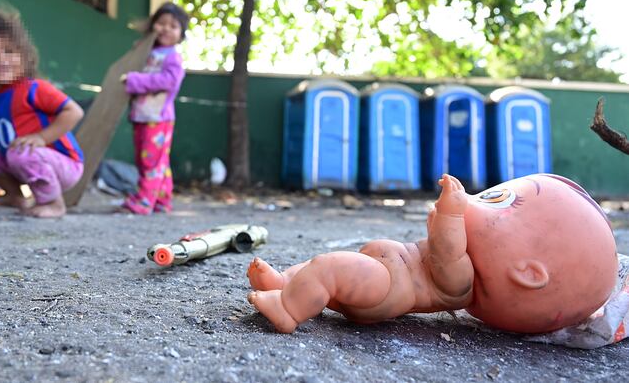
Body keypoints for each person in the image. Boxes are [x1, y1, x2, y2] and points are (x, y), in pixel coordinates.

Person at [247, 173, 617, 335]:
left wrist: (454, 213)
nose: (477, 197)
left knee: (329, 267)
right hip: (382, 272)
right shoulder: (467, 274)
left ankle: (289, 310)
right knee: (319, 266)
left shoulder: (462, 284)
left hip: (385, 289)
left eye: (494, 199)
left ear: (527, 272)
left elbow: (445, 253)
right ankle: (286, 282)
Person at [0, 13, 84, 218]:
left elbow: (74, 112)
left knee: (20, 151)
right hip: (23, 162)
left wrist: (41, 138)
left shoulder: (33, 89)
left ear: (25, 57)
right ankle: (14, 195)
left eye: (9, 51)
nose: (1, 59)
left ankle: (54, 203)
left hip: (63, 166)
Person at [120, 2, 188, 215]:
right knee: (153, 160)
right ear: (153, 25)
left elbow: (169, 81)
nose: (166, 29)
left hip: (158, 118)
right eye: (161, 23)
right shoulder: (148, 51)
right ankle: (162, 199)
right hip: (141, 115)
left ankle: (144, 201)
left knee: (151, 161)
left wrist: (135, 80)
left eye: (173, 26)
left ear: (181, 34)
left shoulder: (172, 57)